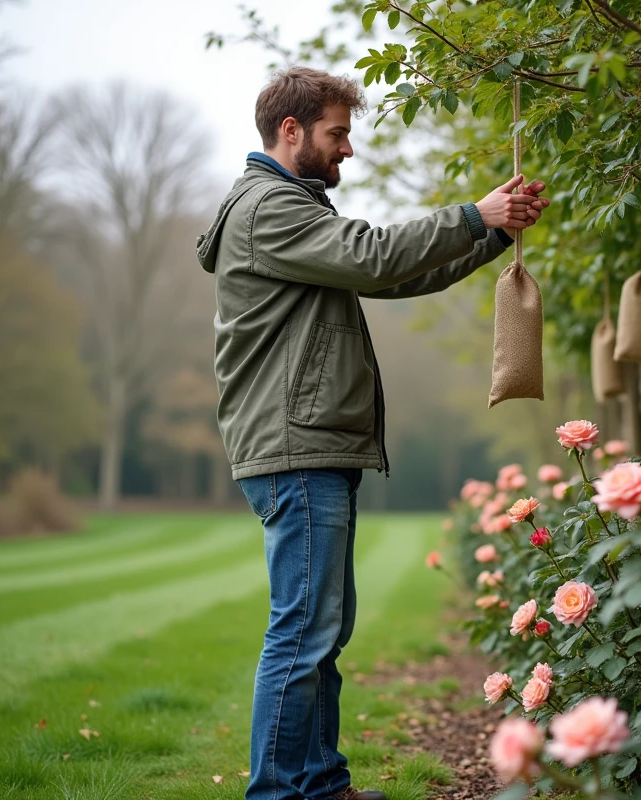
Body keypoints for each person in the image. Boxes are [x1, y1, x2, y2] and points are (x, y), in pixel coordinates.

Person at [195, 66, 549, 800]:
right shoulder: (268, 208)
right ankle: (276, 793)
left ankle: (320, 784)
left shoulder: (292, 208)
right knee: (303, 631)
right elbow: (374, 254)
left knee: (322, 632)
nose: (348, 149)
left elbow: (393, 277)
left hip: (309, 444)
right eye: (337, 133)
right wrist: (472, 214)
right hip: (295, 448)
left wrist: (493, 233)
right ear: (290, 131)